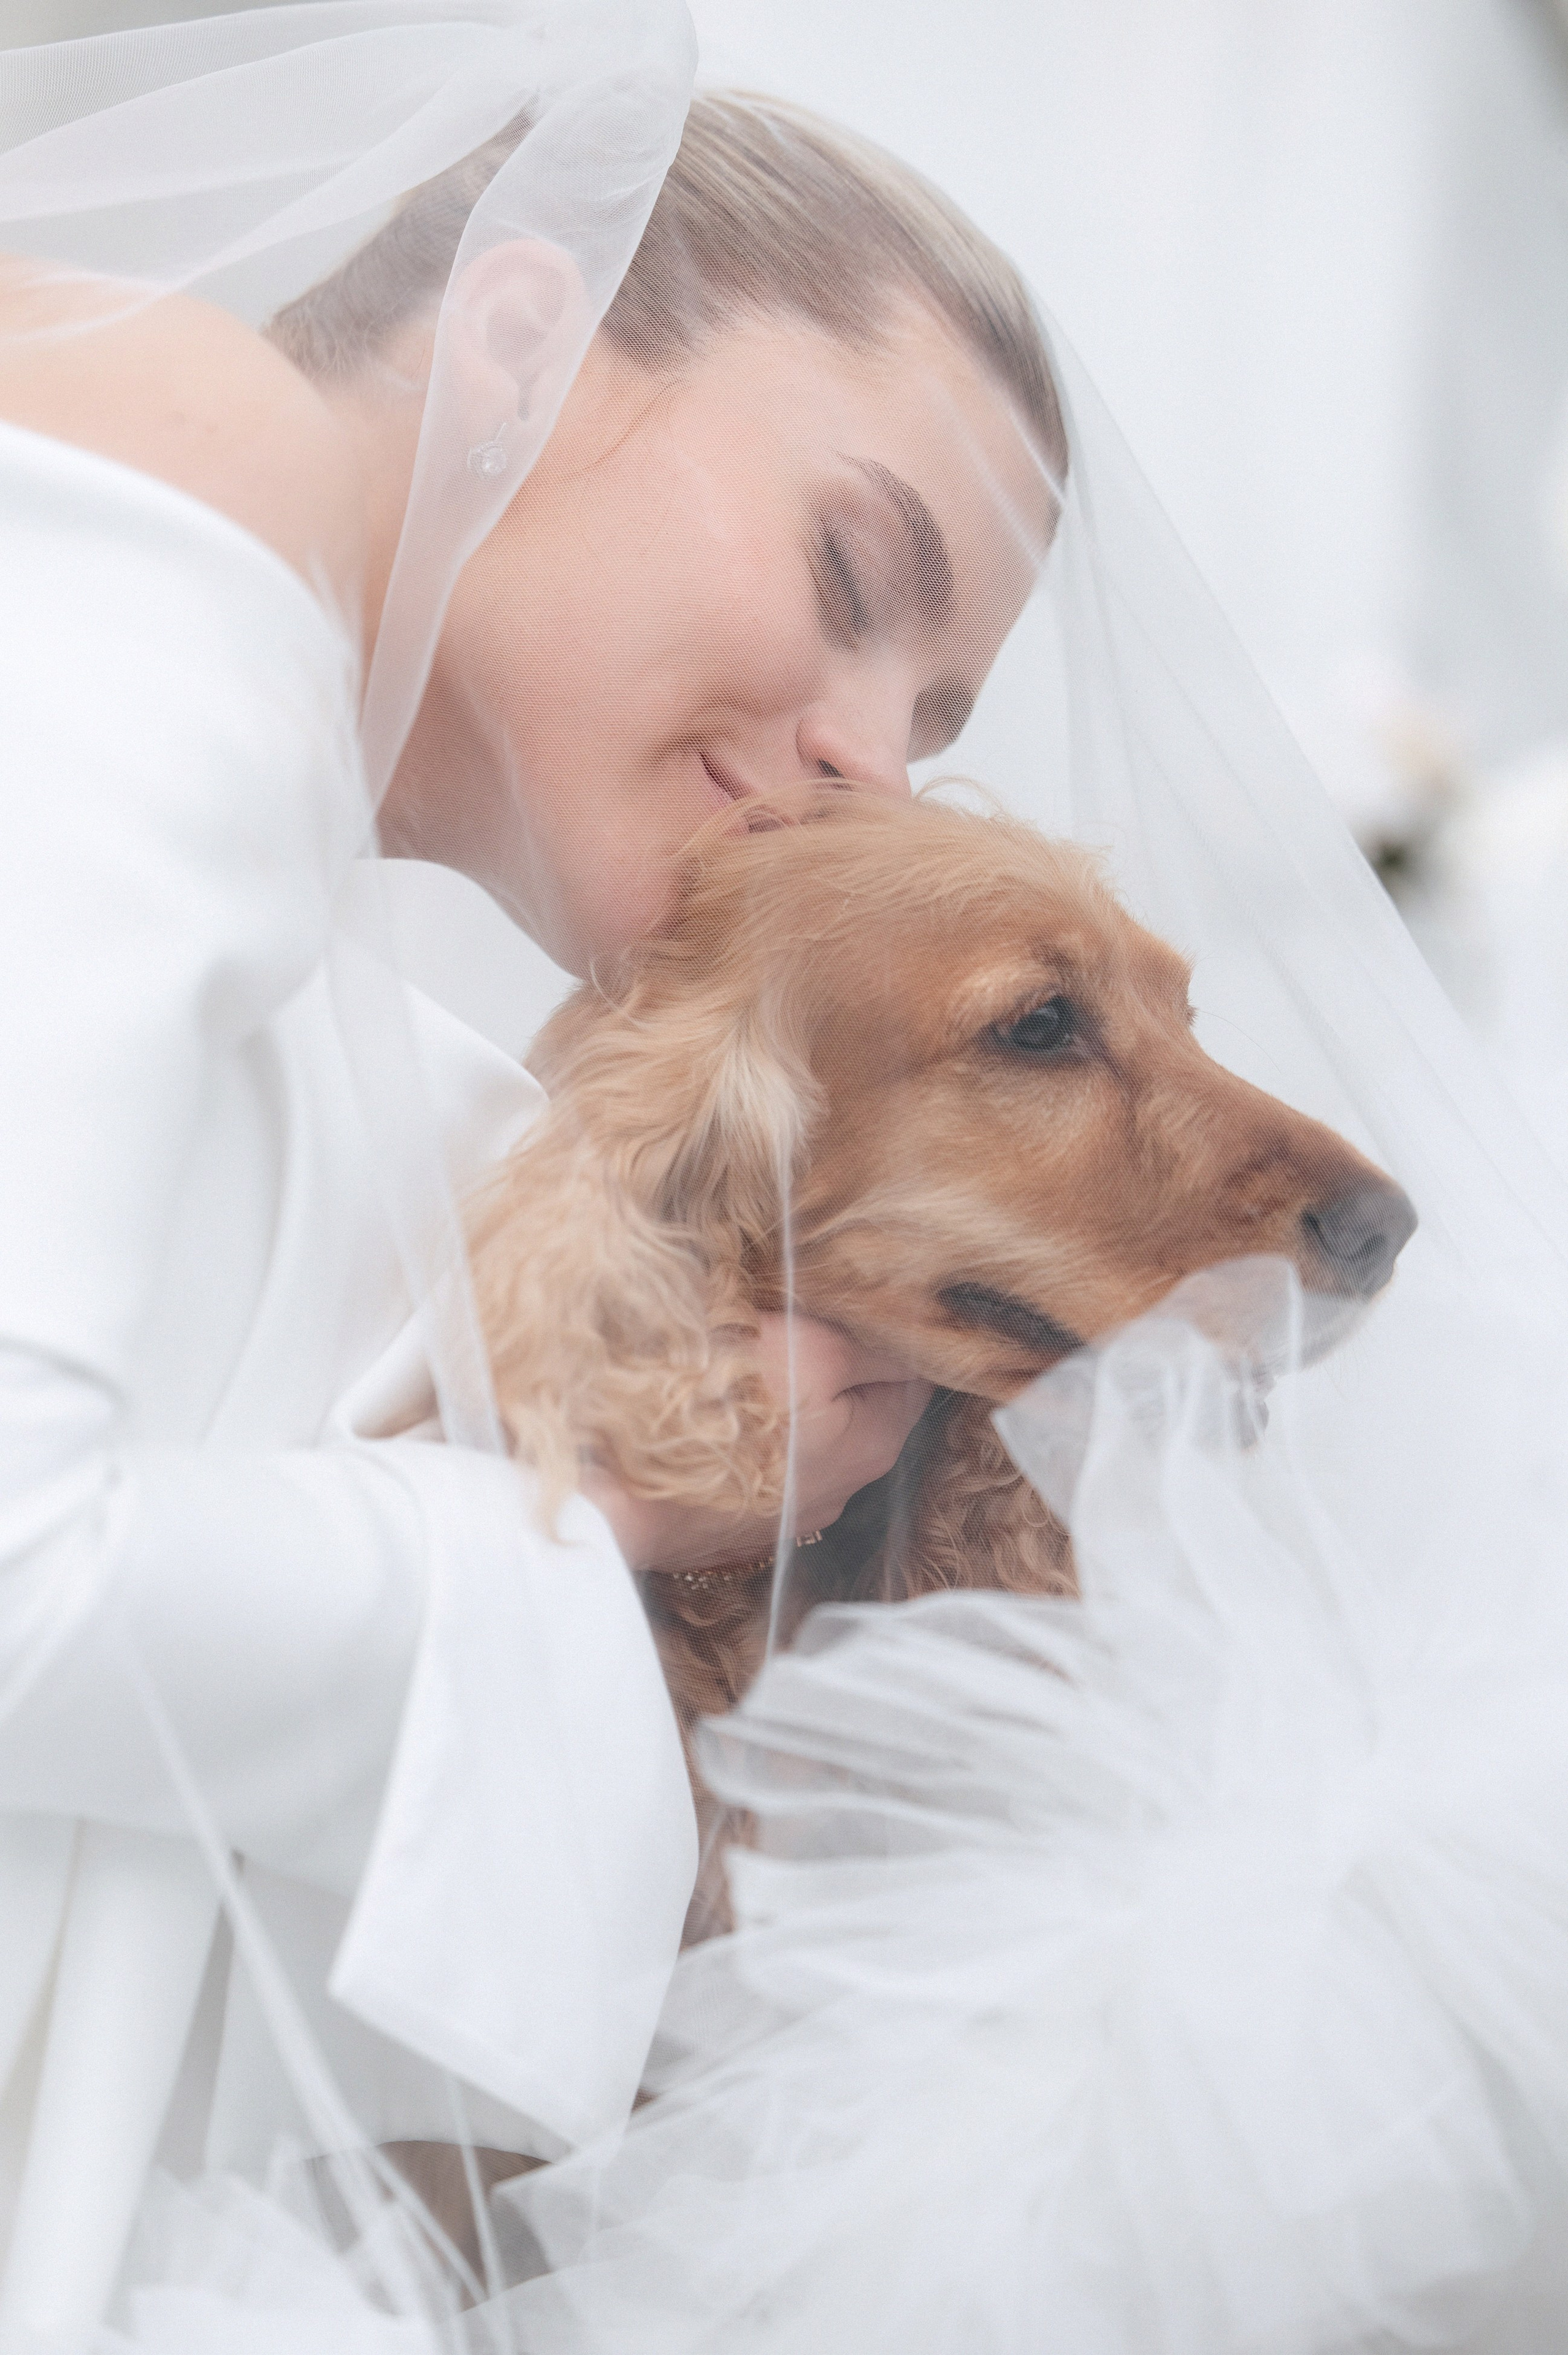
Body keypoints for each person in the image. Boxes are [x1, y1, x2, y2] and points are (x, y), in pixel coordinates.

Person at [0, 14, 1063, 2340]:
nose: (864, 773)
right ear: (522, 331)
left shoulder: (252, 768)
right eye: (852, 572)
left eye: (935, 725)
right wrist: (573, 1541)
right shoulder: (161, 526)